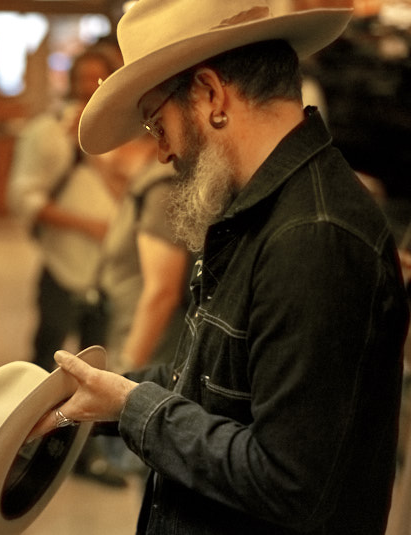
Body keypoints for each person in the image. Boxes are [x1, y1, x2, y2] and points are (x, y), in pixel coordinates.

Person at [29, 1, 410, 534]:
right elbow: (215, 382)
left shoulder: (313, 237)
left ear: (210, 95)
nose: (160, 152)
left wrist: (136, 406)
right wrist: (105, 393)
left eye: (157, 124)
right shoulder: (258, 213)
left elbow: (289, 481)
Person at [7, 49, 119, 373]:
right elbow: (24, 199)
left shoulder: (128, 136)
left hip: (109, 269)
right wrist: (87, 225)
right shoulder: (47, 132)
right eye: (83, 79)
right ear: (70, 83)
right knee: (46, 358)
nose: (89, 87)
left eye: (98, 80)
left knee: (97, 363)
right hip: (61, 263)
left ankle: (84, 426)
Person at [90, 135, 191, 373]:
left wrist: (127, 370)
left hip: (152, 353)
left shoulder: (161, 186)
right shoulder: (146, 179)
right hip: (128, 332)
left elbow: (162, 292)